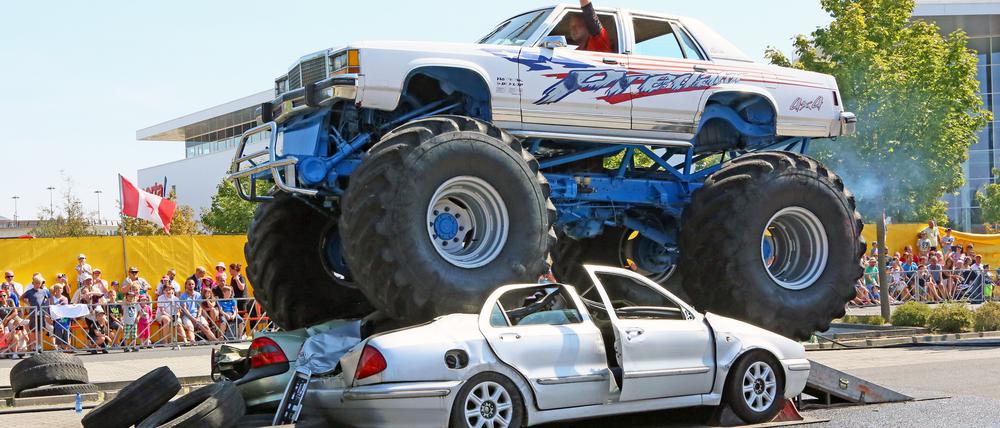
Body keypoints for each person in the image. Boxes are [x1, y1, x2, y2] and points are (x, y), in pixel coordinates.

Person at [21, 274, 51, 350]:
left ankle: (39, 345)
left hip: (41, 313)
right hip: (33, 313)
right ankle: (34, 346)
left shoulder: (44, 291)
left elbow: (48, 299)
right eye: (36, 283)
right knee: (33, 330)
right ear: (33, 283)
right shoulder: (29, 292)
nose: (38, 284)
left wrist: (46, 308)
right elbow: (21, 298)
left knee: (40, 330)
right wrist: (28, 304)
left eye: (39, 283)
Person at [48, 283, 73, 351]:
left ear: (62, 290)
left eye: (60, 288)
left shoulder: (65, 298)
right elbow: (52, 306)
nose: (59, 290)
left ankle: (65, 348)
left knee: (65, 332)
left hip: (64, 318)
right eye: (57, 288)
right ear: (55, 290)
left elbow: (64, 306)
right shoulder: (52, 298)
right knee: (58, 332)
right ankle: (59, 347)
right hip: (56, 318)